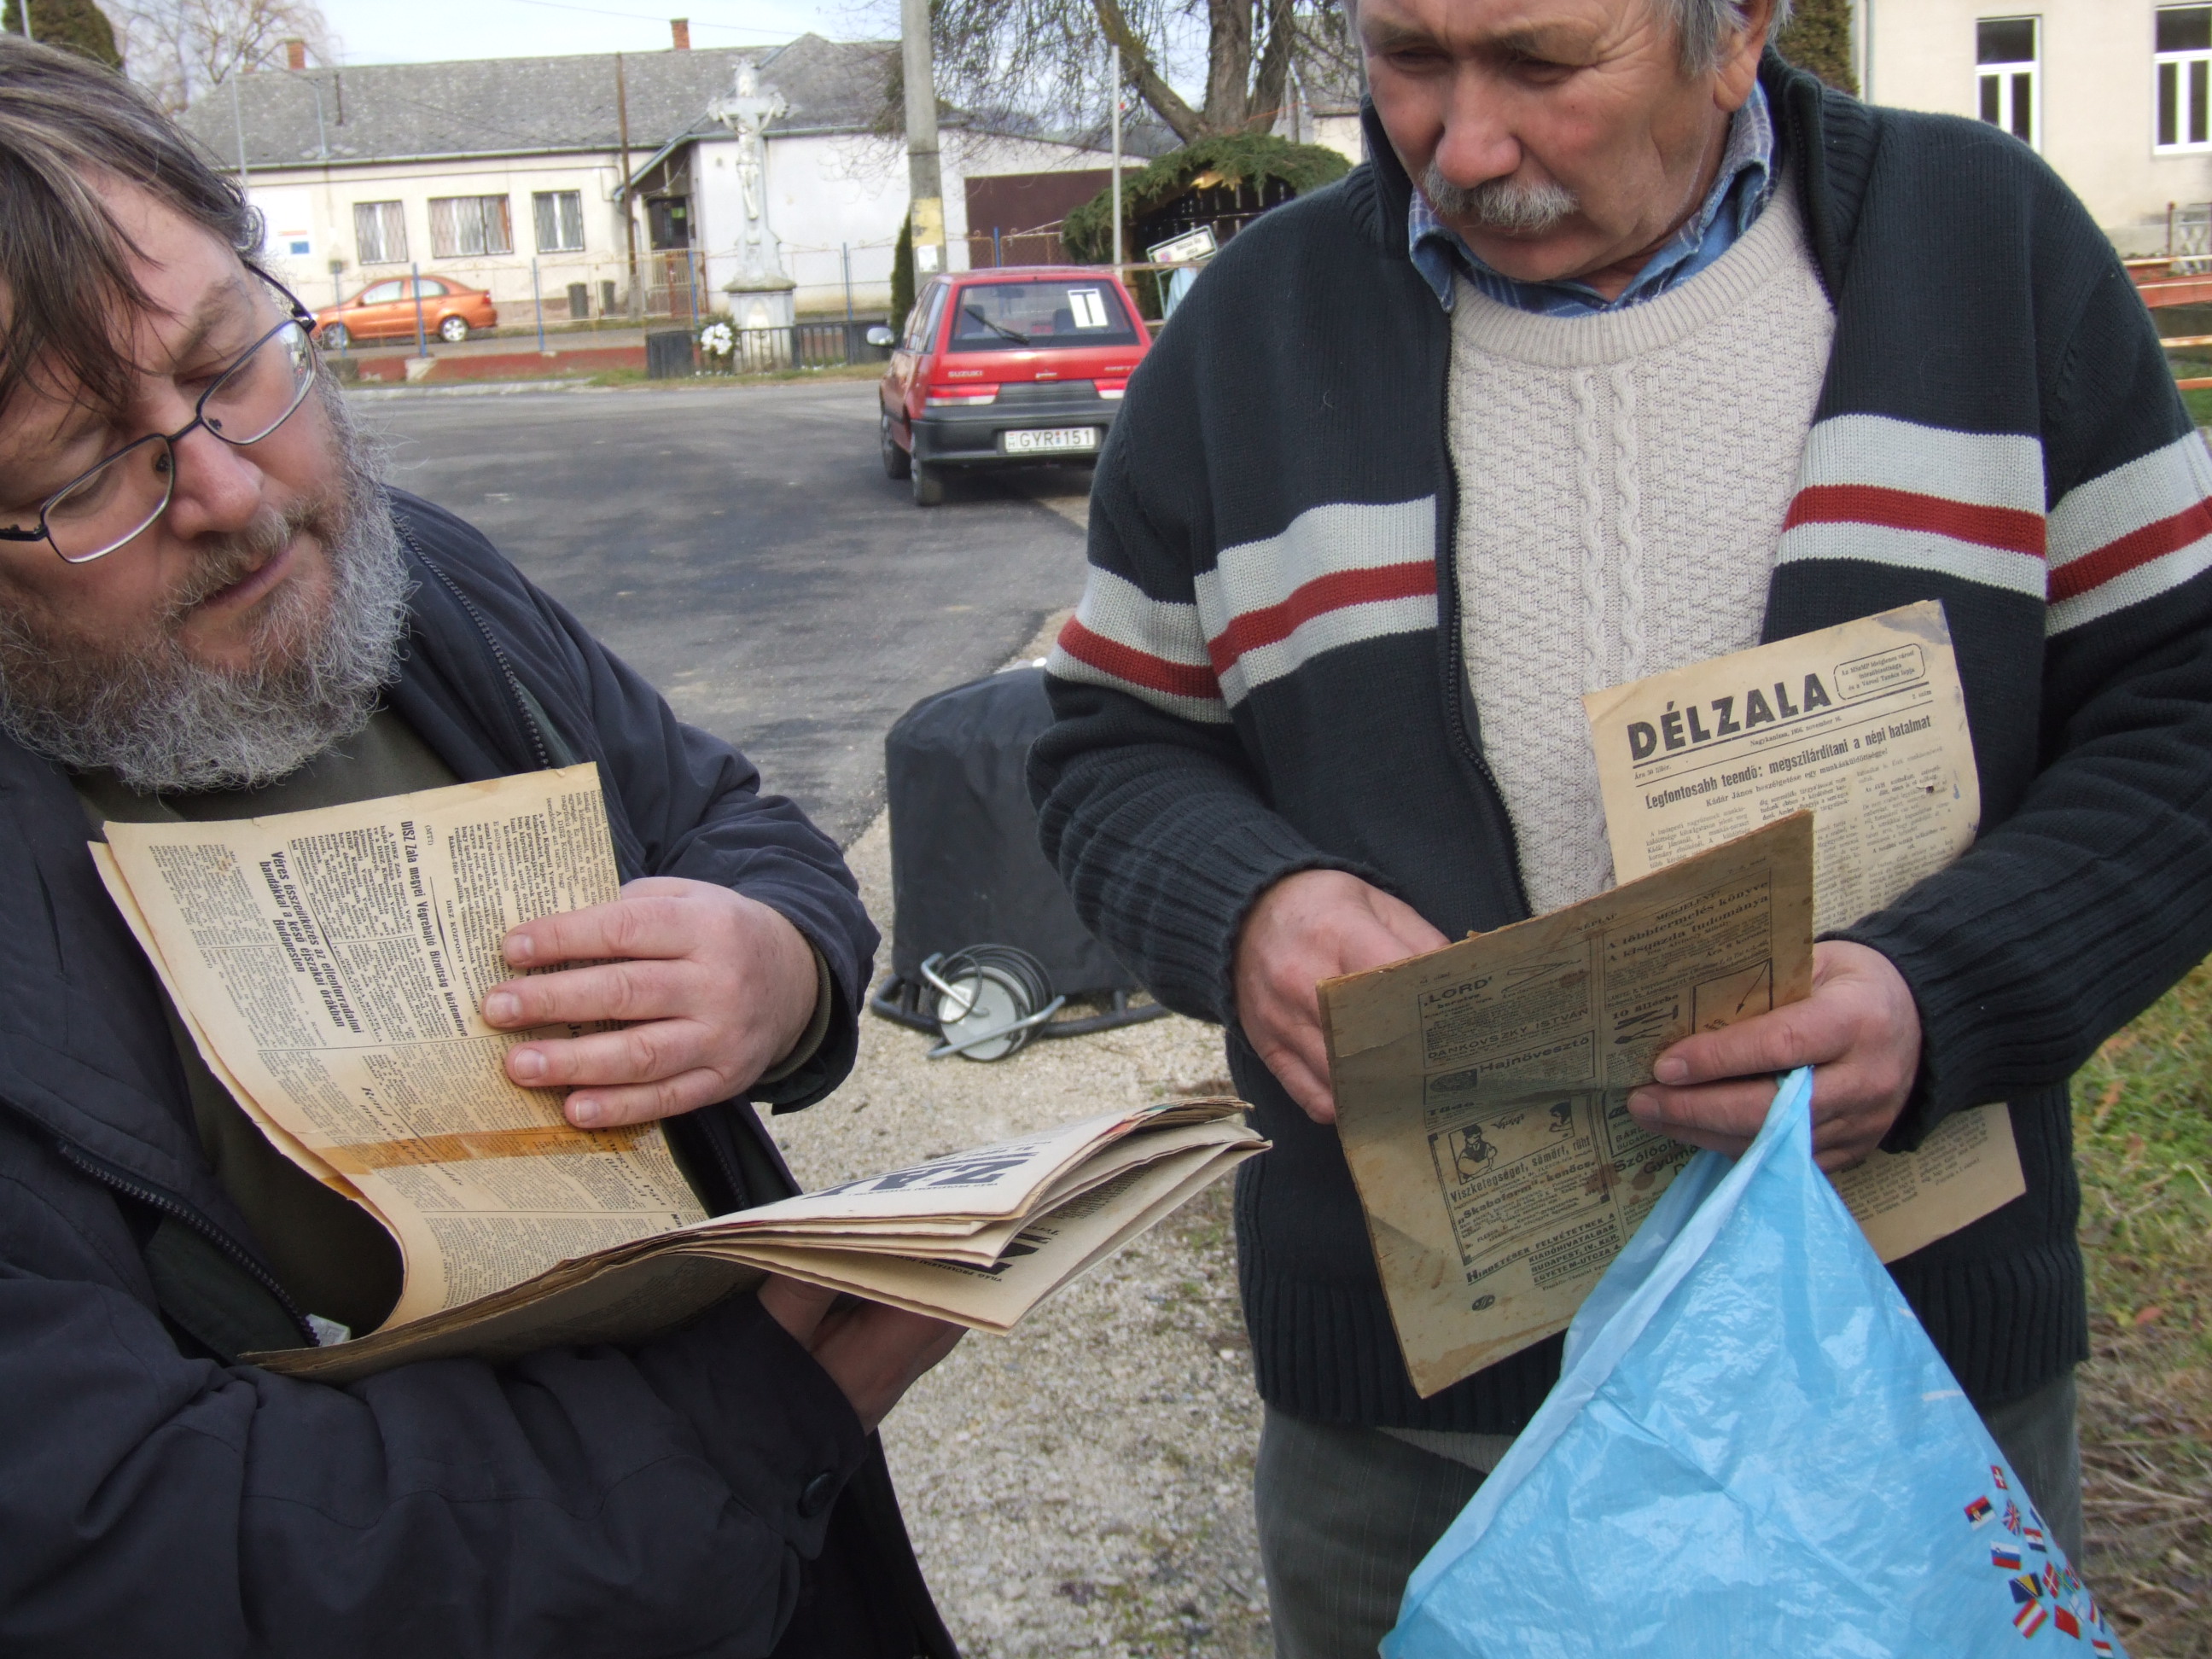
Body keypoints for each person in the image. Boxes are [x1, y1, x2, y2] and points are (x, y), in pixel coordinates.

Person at [1029, 0, 2212, 1651]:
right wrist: (1249, 907)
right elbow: (1108, 746)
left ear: (1734, 33)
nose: (1461, 145)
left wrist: (1940, 998)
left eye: (1538, 64)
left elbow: (2181, 716)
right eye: (1407, 57)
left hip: (1903, 1405)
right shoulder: (1249, 333)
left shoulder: (1986, 251)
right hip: (1414, 1454)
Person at [0, 39, 962, 1657]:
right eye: (88, 475)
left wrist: (777, 967)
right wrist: (732, 1432)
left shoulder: (421, 582)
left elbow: (731, 823)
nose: (229, 490)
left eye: (232, 361)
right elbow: (106, 1534)